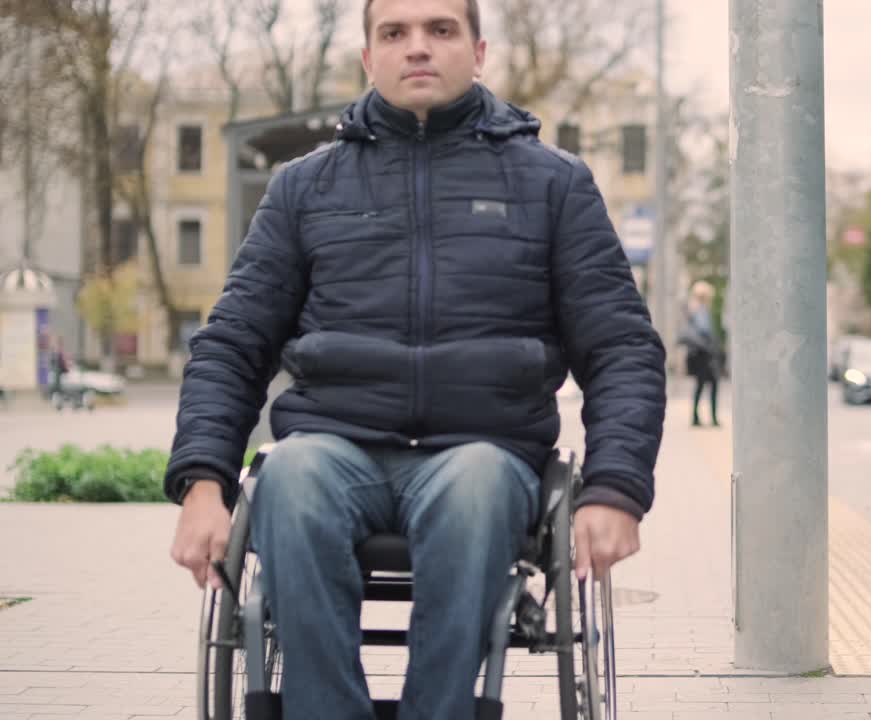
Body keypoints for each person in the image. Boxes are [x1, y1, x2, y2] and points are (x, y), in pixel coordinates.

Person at [164, 1, 667, 717]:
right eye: (394, 33)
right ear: (369, 59)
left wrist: (616, 490)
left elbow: (621, 347)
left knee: (476, 483)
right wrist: (201, 485)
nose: (418, 48)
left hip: (483, 451)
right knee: (291, 476)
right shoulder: (305, 188)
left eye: (440, 29)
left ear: (479, 50)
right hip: (335, 445)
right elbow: (233, 343)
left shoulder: (553, 185)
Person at [679, 281, 721, 427]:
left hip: (697, 352)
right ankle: (713, 418)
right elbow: (705, 330)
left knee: (700, 384)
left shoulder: (692, 308)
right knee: (713, 383)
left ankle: (696, 417)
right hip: (705, 353)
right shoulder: (701, 309)